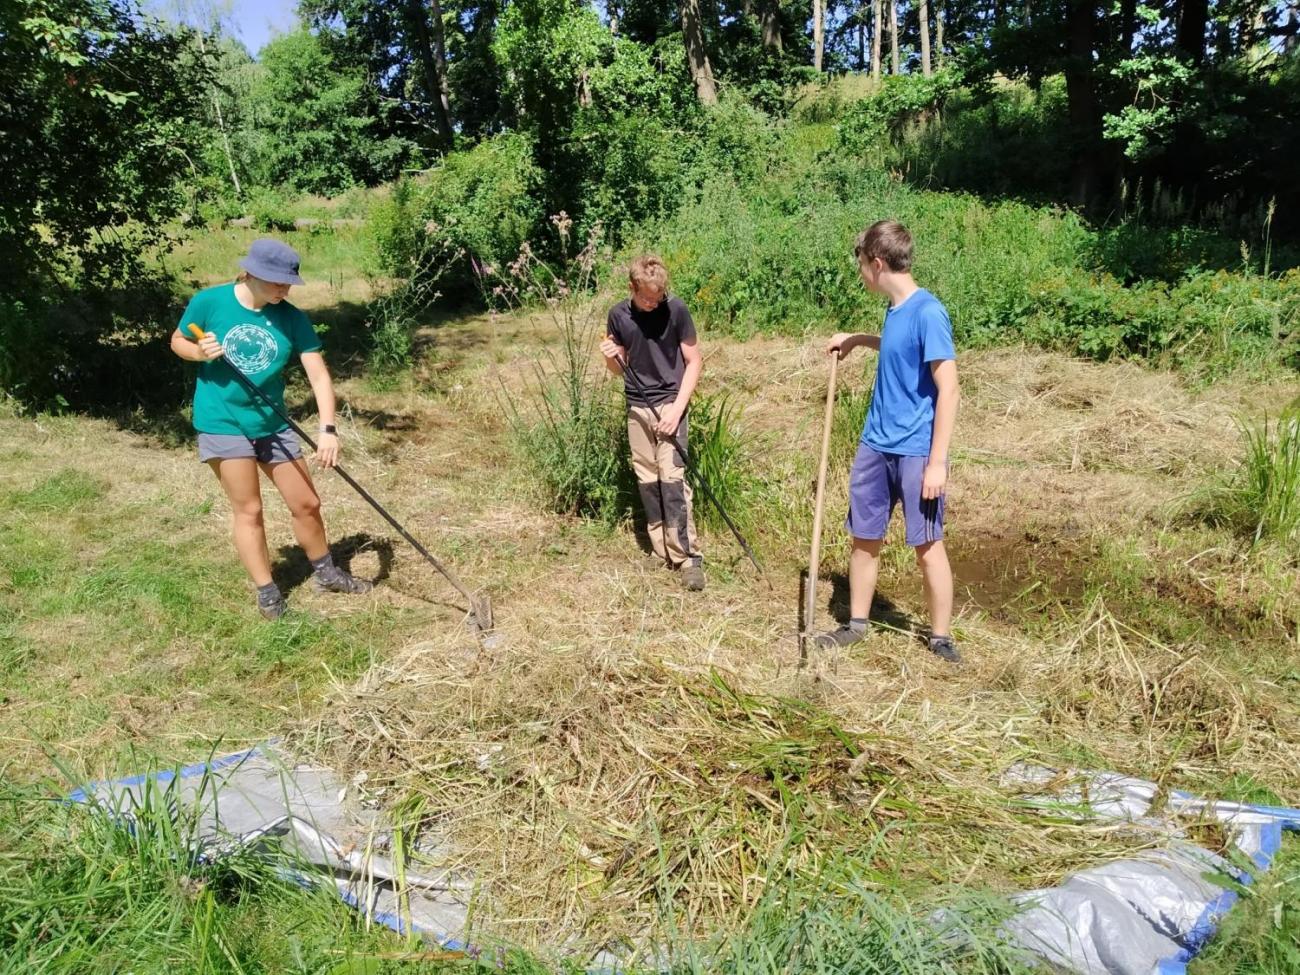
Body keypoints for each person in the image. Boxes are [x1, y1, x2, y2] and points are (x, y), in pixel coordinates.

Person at [170, 237, 372, 620]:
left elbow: (318, 375)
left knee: (307, 503)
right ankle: (268, 593)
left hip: (272, 422)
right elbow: (178, 340)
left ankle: (325, 572)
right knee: (249, 509)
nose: (283, 289)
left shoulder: (292, 317)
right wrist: (199, 352)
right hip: (223, 421)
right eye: (275, 281)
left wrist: (328, 428)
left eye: (288, 282)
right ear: (248, 273)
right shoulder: (210, 302)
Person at [816, 220, 962, 662]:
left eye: (862, 264)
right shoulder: (898, 312)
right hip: (875, 445)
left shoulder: (928, 312)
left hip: (916, 451)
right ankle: (857, 624)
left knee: (927, 547)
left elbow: (950, 388)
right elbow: (901, 348)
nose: (861, 272)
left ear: (877, 263)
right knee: (864, 536)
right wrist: (859, 340)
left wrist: (937, 463)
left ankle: (940, 637)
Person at [599, 255, 706, 591]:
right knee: (647, 480)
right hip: (637, 408)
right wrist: (609, 357)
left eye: (657, 296)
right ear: (632, 288)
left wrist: (677, 410)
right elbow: (619, 369)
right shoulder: (618, 315)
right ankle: (661, 551)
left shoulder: (676, 310)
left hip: (670, 405)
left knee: (672, 479)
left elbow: (694, 360)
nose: (652, 302)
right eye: (646, 297)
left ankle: (687, 557)